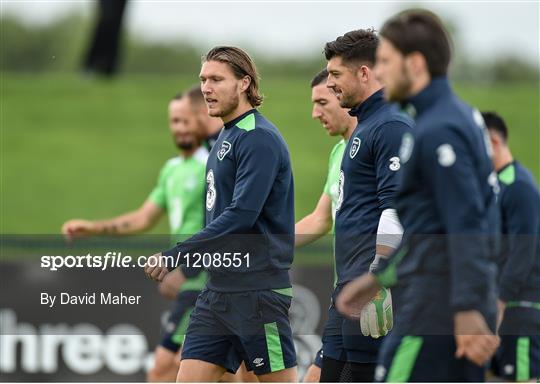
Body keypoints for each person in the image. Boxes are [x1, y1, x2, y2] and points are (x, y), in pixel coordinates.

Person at [336, 9, 500, 382]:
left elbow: (467, 222)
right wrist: (380, 277)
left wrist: (467, 307)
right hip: (440, 298)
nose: (380, 72)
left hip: (437, 306)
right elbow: (430, 225)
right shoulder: (443, 118)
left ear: (415, 64)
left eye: (387, 62)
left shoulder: (439, 127)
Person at [144, 46, 297, 383]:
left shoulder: (258, 139)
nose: (206, 88)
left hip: (259, 295)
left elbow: (241, 216)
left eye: (216, 79)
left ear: (244, 83)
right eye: (203, 79)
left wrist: (177, 256)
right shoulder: (224, 137)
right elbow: (217, 223)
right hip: (217, 295)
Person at [62, 91, 210, 382]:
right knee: (217, 371)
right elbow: (143, 218)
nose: (179, 127)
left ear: (202, 119)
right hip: (189, 282)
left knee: (164, 370)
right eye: (174, 121)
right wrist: (92, 228)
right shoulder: (172, 170)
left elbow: (222, 223)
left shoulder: (211, 164)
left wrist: (188, 269)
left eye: (185, 120)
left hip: (203, 280)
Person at [319, 29, 413, 382]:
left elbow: (395, 210)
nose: (329, 84)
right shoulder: (366, 125)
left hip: (371, 289)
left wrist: (377, 276)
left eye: (335, 74)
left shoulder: (390, 125)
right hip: (347, 288)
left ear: (364, 72)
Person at [295, 69, 357, 382]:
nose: (314, 113)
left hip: (373, 293)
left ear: (343, 96)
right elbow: (321, 218)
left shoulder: (374, 144)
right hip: (343, 294)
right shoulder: (339, 151)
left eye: (322, 102)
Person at [482, 111, 540, 382]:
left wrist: (500, 302)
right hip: (502, 308)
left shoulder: (519, 186)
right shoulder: (493, 187)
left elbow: (522, 252)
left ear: (493, 141)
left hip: (521, 310)